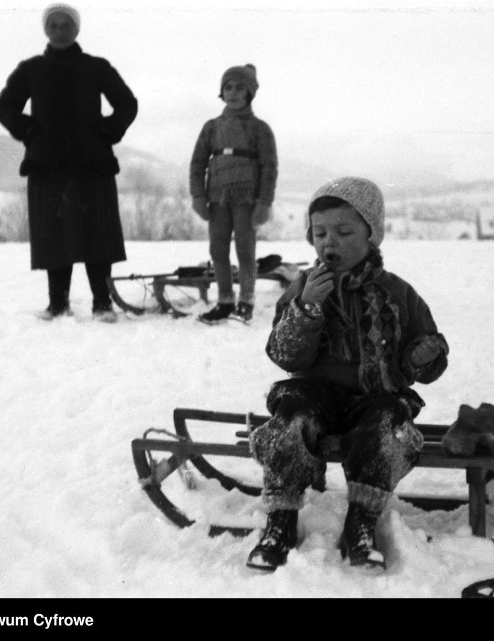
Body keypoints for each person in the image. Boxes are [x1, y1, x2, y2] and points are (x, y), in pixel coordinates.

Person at [245, 177, 449, 571]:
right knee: (289, 419)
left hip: (376, 396)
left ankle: (362, 520)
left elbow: (423, 362)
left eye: (343, 231)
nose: (329, 243)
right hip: (316, 391)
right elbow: (285, 355)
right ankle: (281, 520)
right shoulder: (305, 287)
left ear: (371, 235)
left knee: (387, 426)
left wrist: (424, 356)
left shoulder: (398, 293)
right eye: (319, 233)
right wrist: (306, 309)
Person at [0, 3, 138, 323]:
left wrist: (108, 130)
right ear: (46, 30)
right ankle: (57, 304)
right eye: (54, 25)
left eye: (66, 25)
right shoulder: (30, 69)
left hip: (93, 162)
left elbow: (127, 104)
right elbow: (5, 106)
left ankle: (103, 304)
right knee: (54, 233)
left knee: (97, 232)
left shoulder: (97, 67)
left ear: (77, 29)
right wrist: (27, 130)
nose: (60, 30)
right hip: (48, 165)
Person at [189, 64, 278, 325]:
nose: (233, 93)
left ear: (250, 92)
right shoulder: (211, 127)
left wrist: (264, 202)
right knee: (218, 250)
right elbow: (197, 163)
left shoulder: (260, 129)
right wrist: (197, 196)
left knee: (245, 251)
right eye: (228, 87)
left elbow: (269, 168)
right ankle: (225, 301)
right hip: (217, 198)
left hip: (247, 201)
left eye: (240, 87)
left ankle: (246, 302)